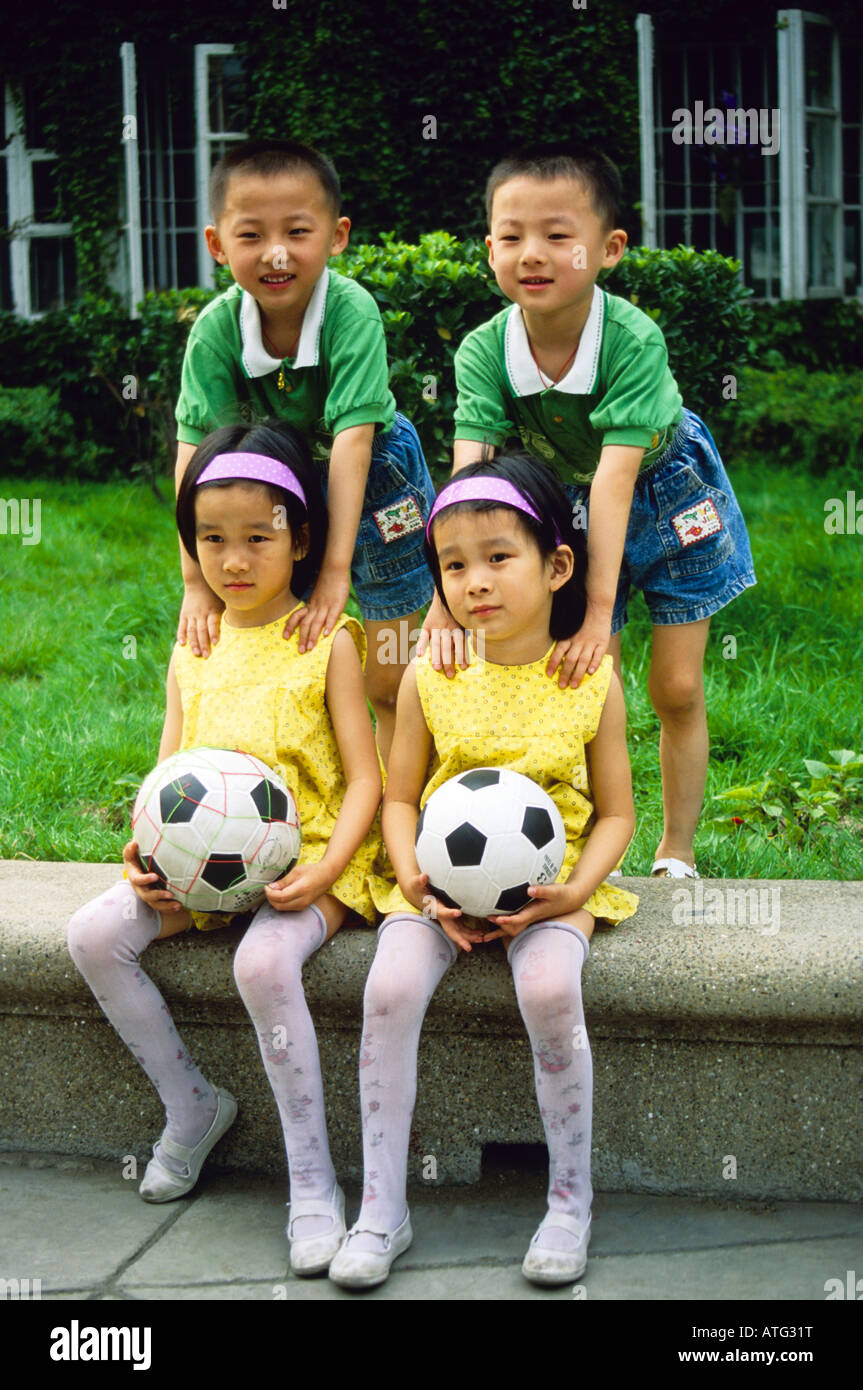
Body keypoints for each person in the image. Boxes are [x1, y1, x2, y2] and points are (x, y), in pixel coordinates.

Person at [67, 420, 387, 1277]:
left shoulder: (328, 641)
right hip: (202, 867)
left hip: (309, 863)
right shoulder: (193, 647)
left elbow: (367, 780)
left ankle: (313, 1184)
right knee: (93, 936)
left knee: (261, 966)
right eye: (213, 540)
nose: (234, 560)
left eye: (258, 537)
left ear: (302, 538)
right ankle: (193, 1105)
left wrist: (324, 871)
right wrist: (142, 853)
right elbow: (166, 771)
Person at [328, 455, 639, 1290]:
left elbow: (616, 814)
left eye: (498, 557)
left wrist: (572, 894)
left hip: (553, 888)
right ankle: (380, 1209)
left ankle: (569, 1201)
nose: (475, 582)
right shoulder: (435, 675)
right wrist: (417, 884)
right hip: (434, 887)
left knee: (545, 991)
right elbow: (399, 800)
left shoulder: (589, 677)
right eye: (453, 565)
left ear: (556, 565)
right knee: (387, 990)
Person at [419, 144, 756, 878]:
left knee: (674, 686)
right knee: (573, 674)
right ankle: (558, 840)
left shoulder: (632, 341)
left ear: (607, 250)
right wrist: (441, 596)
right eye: (510, 237)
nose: (531, 255)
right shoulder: (483, 350)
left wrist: (599, 608)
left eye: (557, 236)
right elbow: (468, 474)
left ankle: (675, 849)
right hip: (568, 501)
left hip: (670, 498)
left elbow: (616, 478)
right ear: (488, 249)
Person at [174, 138, 437, 762]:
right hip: (273, 496)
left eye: (297, 231)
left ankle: (405, 809)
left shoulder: (352, 314)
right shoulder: (215, 330)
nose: (276, 254)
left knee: (390, 672)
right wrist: (194, 580)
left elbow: (352, 444)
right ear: (217, 244)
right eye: (251, 235)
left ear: (337, 235)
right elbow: (197, 455)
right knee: (299, 648)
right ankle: (322, 794)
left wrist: (334, 573)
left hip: (376, 484)